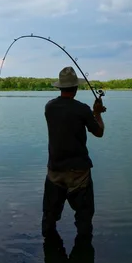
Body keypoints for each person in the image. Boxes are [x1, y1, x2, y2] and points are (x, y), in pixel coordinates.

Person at [42, 66, 106, 239]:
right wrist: (97, 113)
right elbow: (99, 132)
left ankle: (51, 254)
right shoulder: (83, 109)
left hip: (55, 171)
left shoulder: (49, 107)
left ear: (60, 87)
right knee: (84, 221)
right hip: (79, 174)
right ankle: (83, 257)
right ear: (76, 88)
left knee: (49, 219)